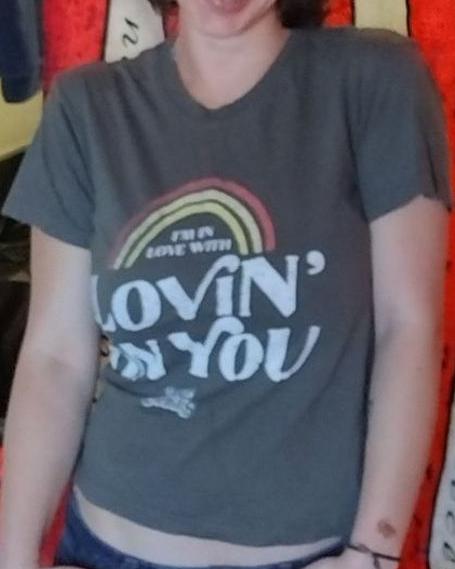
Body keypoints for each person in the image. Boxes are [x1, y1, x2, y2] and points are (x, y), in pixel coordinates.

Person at [0, 0, 452, 568]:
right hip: (104, 547)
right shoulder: (87, 106)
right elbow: (55, 359)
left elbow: (407, 327)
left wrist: (373, 551)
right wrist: (13, 557)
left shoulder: (374, 80)